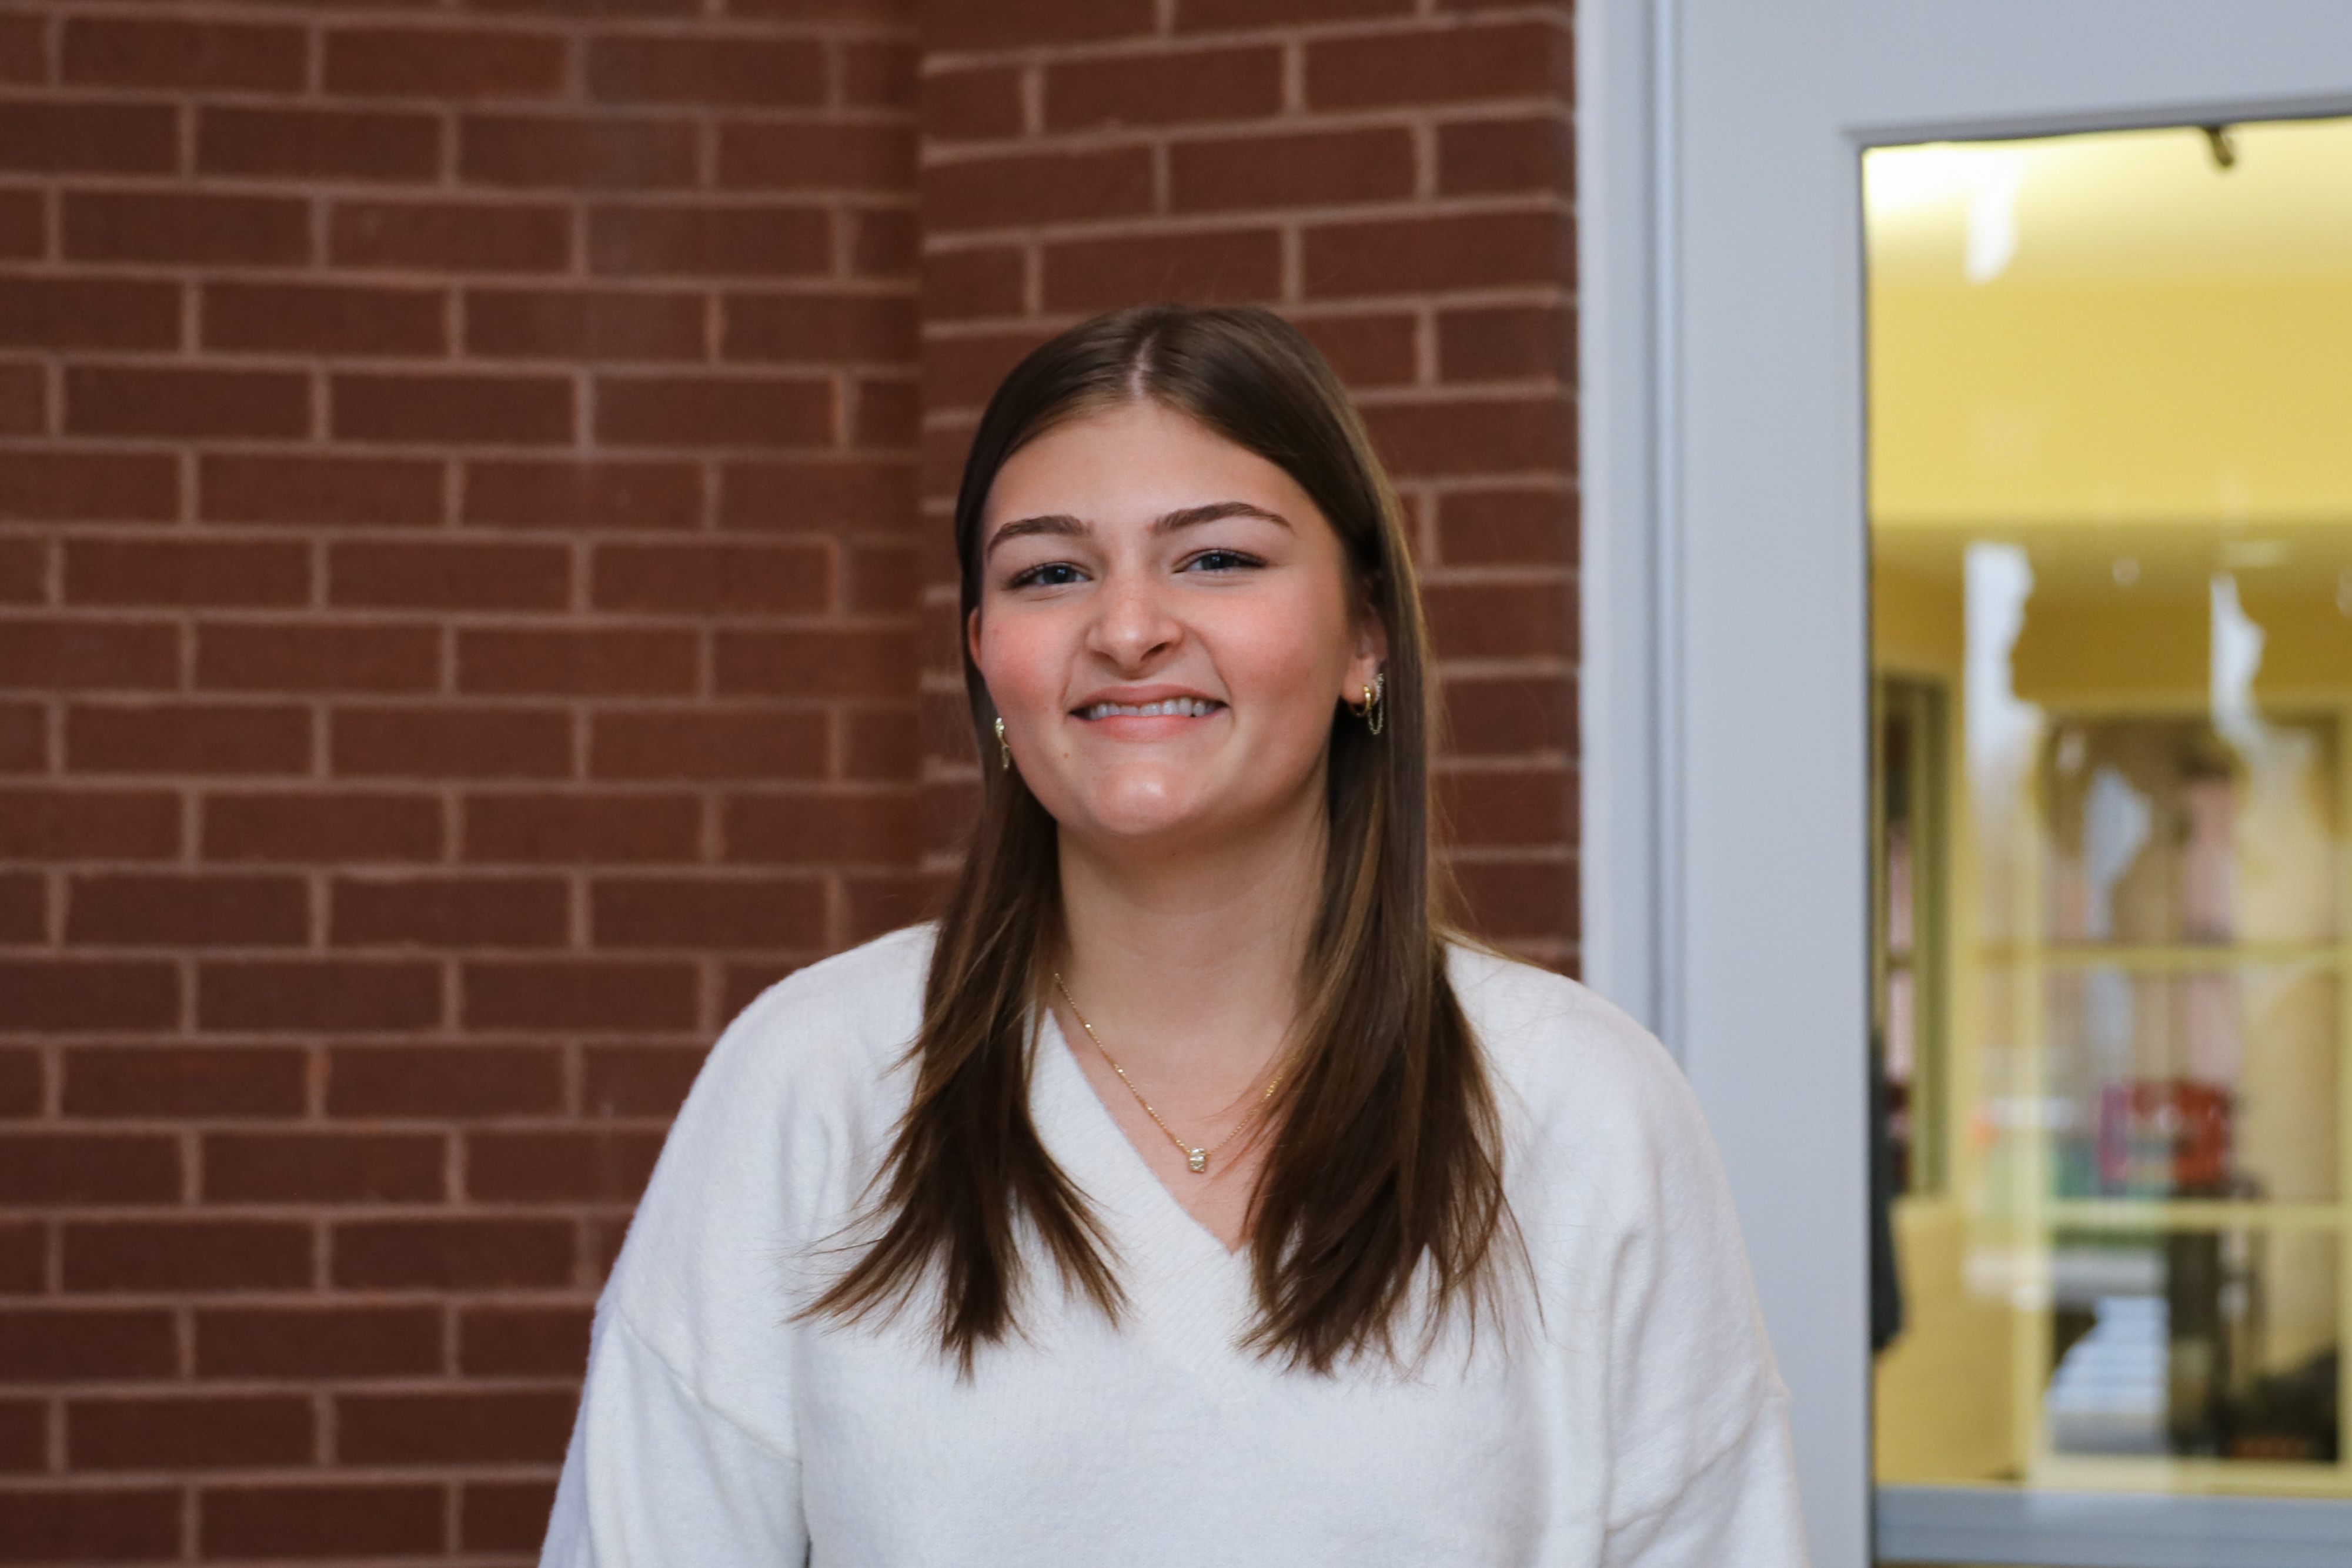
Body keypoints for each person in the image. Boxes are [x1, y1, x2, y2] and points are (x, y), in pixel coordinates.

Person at [539, 305, 1807, 1566]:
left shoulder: (1580, 1106)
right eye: (1048, 571)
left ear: (1364, 632)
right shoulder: (813, 1080)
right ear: (984, 657)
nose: (1128, 626)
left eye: (1215, 559)